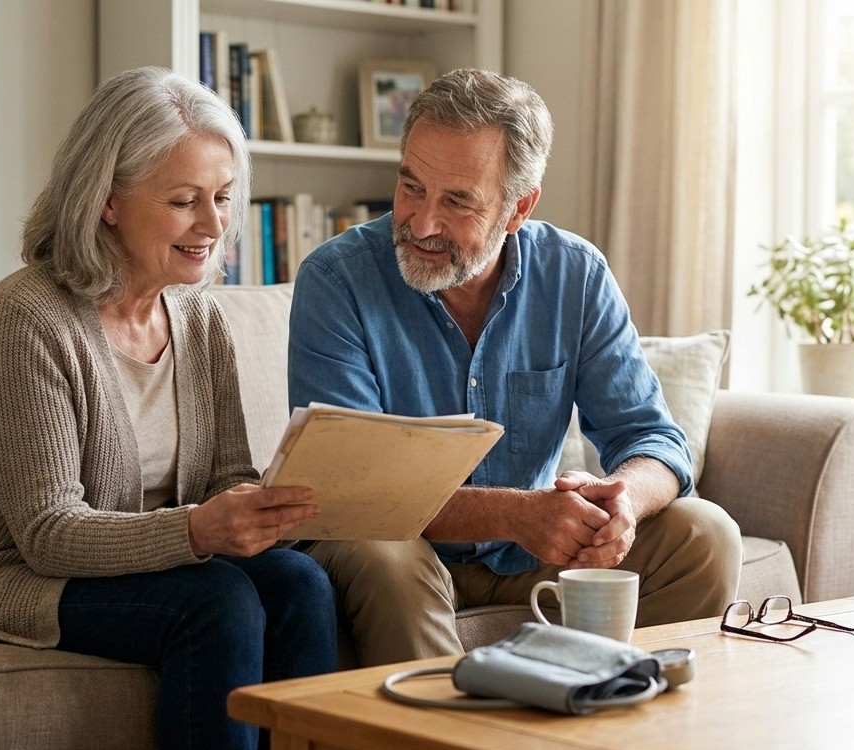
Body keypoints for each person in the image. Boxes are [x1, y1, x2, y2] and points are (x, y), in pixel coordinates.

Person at [0, 66, 337, 750]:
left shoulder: (197, 315)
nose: (214, 225)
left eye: (223, 198)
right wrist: (199, 529)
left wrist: (265, 508)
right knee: (216, 601)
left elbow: (224, 477)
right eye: (184, 201)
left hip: (131, 568)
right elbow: (47, 533)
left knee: (300, 583)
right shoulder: (26, 319)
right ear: (106, 201)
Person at [287, 68, 743, 667]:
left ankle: (615, 731)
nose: (422, 223)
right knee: (383, 554)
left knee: (704, 534)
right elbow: (356, 490)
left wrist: (622, 501)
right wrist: (517, 513)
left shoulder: (574, 275)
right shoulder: (336, 279)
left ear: (517, 208)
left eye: (457, 202)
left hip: (532, 556)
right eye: (410, 187)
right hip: (400, 544)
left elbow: (654, 438)